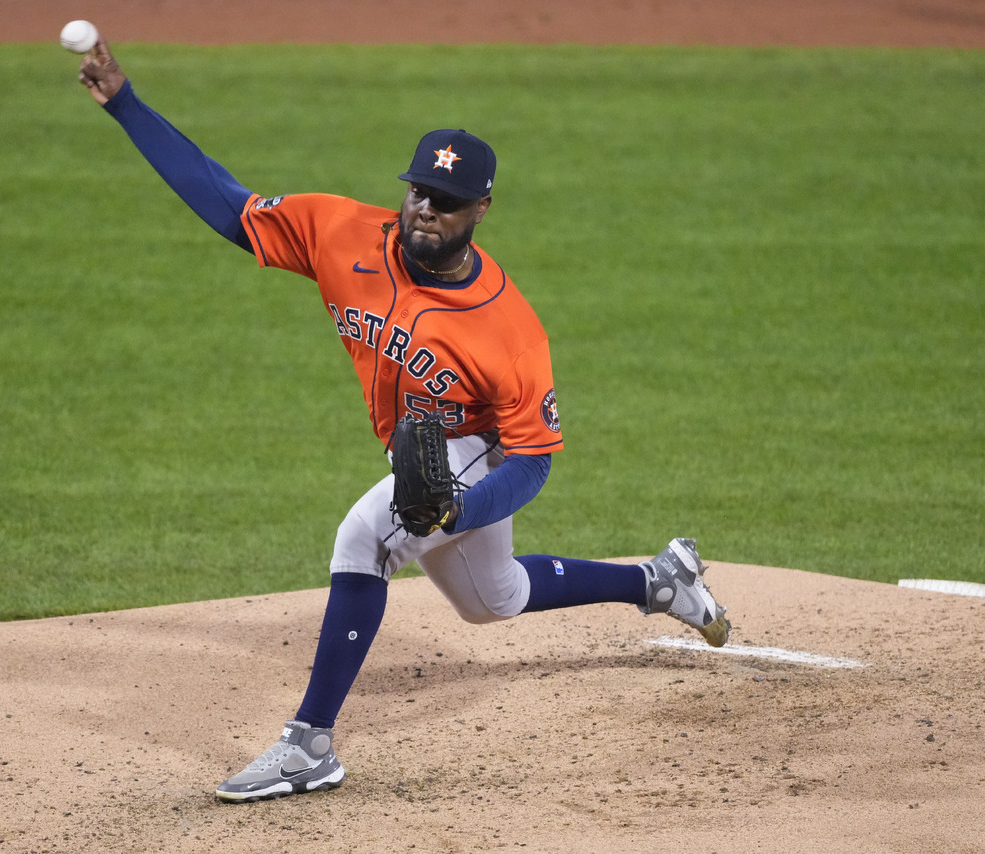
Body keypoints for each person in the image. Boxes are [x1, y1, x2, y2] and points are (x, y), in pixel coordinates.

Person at [76, 38, 730, 803]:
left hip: (477, 450)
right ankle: (658, 580)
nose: (425, 210)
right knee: (494, 601)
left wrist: (462, 505)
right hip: (422, 451)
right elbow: (228, 204)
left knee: (368, 536)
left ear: (480, 209)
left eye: (447, 202)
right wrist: (126, 104)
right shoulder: (342, 232)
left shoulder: (510, 331)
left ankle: (308, 744)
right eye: (419, 191)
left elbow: (533, 458)